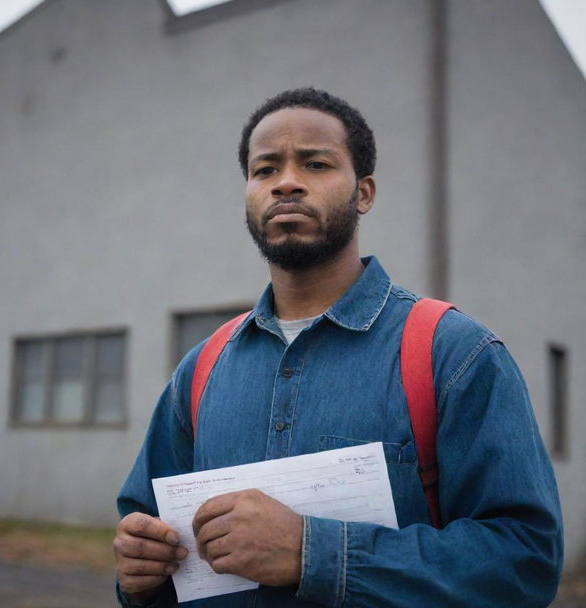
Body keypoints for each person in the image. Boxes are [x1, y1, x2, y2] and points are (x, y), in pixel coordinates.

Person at [113, 88, 563, 607]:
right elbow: (143, 532)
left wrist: (312, 552)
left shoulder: (454, 355)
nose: (286, 182)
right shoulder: (202, 369)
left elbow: (526, 563)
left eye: (316, 163)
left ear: (364, 193)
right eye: (264, 170)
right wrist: (139, 574)